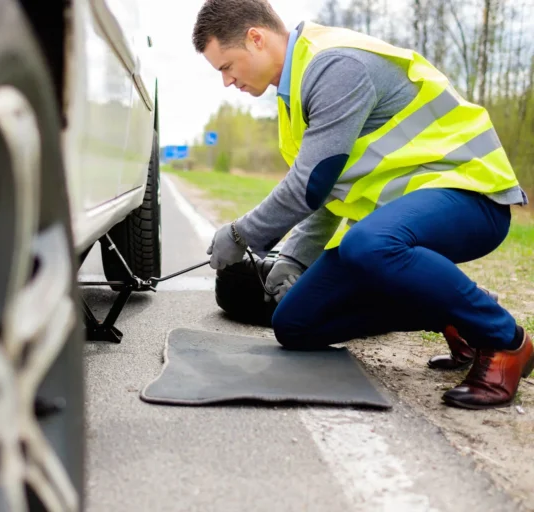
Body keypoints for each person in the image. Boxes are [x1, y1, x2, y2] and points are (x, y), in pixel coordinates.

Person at [193, 0, 532, 409]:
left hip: (472, 198)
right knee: (295, 324)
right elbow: (329, 191)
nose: (227, 81)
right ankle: (456, 313)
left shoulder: (335, 66)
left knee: (365, 246)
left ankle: (505, 340)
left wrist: (240, 233)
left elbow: (310, 183)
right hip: (400, 224)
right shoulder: (294, 96)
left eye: (226, 66)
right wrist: (295, 259)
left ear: (256, 38)